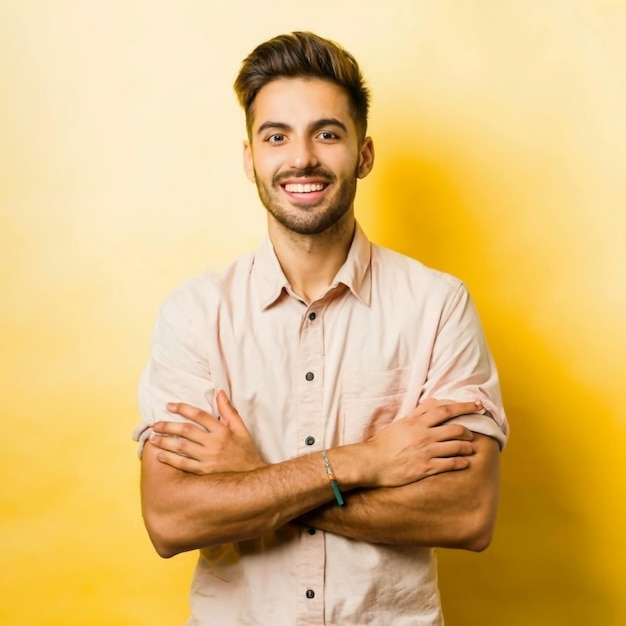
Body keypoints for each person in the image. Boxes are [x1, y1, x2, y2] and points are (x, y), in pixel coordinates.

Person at [133, 31, 508, 626]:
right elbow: (172, 520)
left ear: (363, 153)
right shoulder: (195, 315)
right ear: (250, 157)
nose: (301, 158)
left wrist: (254, 481)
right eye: (276, 135)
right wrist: (363, 462)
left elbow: (467, 514)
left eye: (326, 134)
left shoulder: (438, 306)